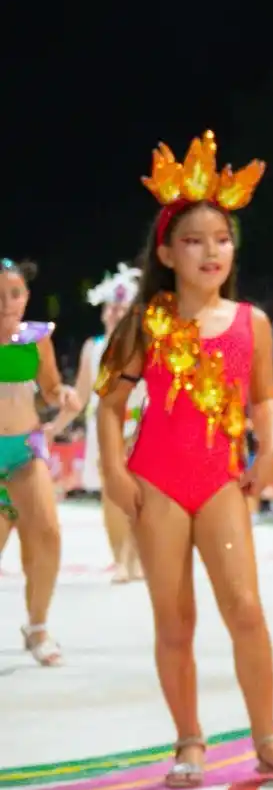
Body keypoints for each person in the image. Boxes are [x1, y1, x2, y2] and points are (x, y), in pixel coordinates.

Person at [95, 131, 273, 788]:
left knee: (245, 607)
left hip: (221, 482)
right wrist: (112, 471)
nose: (210, 250)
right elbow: (108, 407)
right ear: (165, 251)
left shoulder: (253, 323)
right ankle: (190, 740)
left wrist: (271, 445)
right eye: (193, 239)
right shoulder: (147, 323)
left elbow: (265, 399)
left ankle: (267, 740)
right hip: (157, 484)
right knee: (175, 618)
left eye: (221, 237)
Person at [0, 258, 75, 665]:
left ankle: (37, 626)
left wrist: (60, 395)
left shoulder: (35, 338)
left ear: (26, 297)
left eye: (15, 294)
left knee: (47, 535)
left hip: (24, 452)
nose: (6, 303)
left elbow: (48, 388)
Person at [55, 263, 147, 582]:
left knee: (137, 495)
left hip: (137, 427)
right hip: (102, 428)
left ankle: (134, 559)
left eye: (121, 307)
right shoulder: (92, 348)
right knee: (110, 495)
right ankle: (119, 557)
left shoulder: (143, 347)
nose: (113, 312)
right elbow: (80, 396)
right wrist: (53, 428)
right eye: (110, 306)